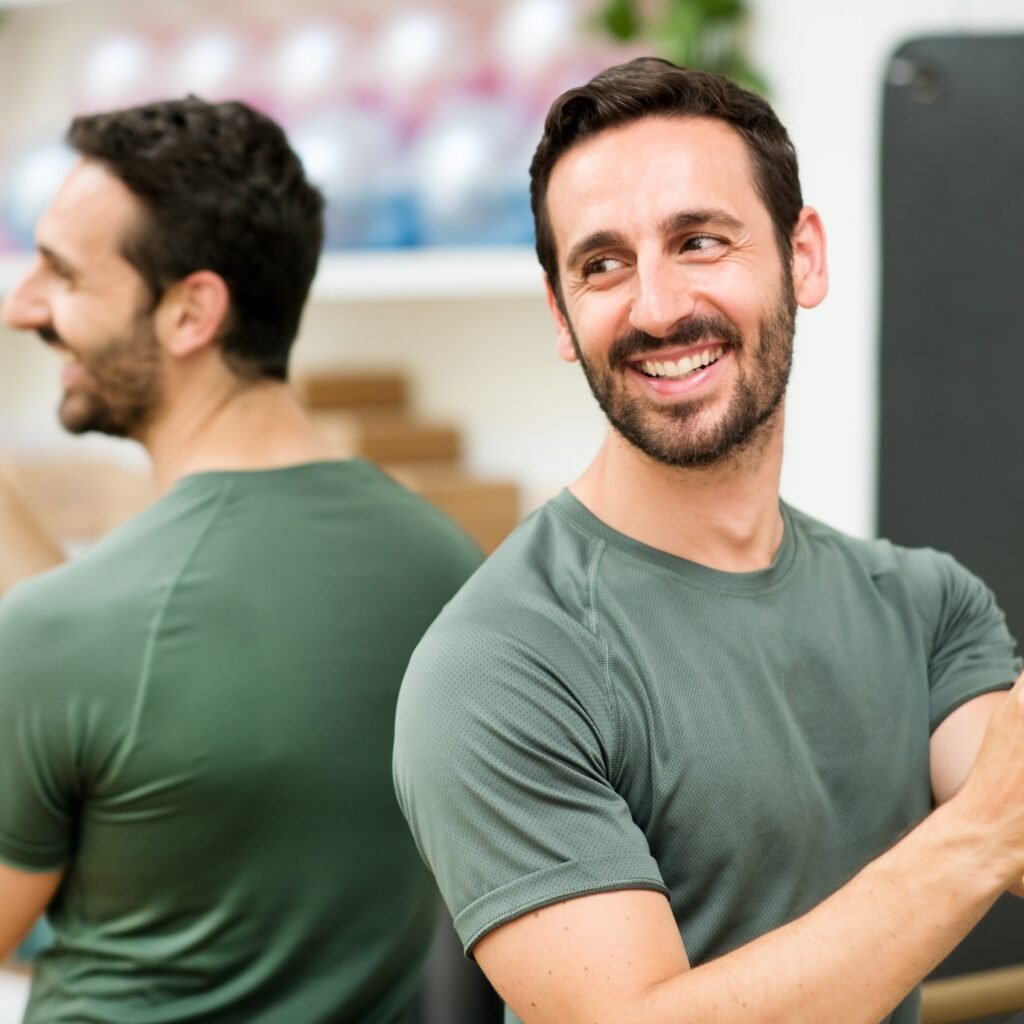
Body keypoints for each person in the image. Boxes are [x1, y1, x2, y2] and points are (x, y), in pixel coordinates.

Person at [393, 57, 1024, 1024]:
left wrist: (995, 828)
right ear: (561, 314)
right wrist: (977, 839)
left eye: (699, 241)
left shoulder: (924, 608)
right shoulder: (500, 666)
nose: (655, 308)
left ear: (803, 258)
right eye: (603, 265)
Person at [0, 96, 482, 1023]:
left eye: (62, 273)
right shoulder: (451, 567)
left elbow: (106, 652)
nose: (23, 305)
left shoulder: (74, 630)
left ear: (191, 311)